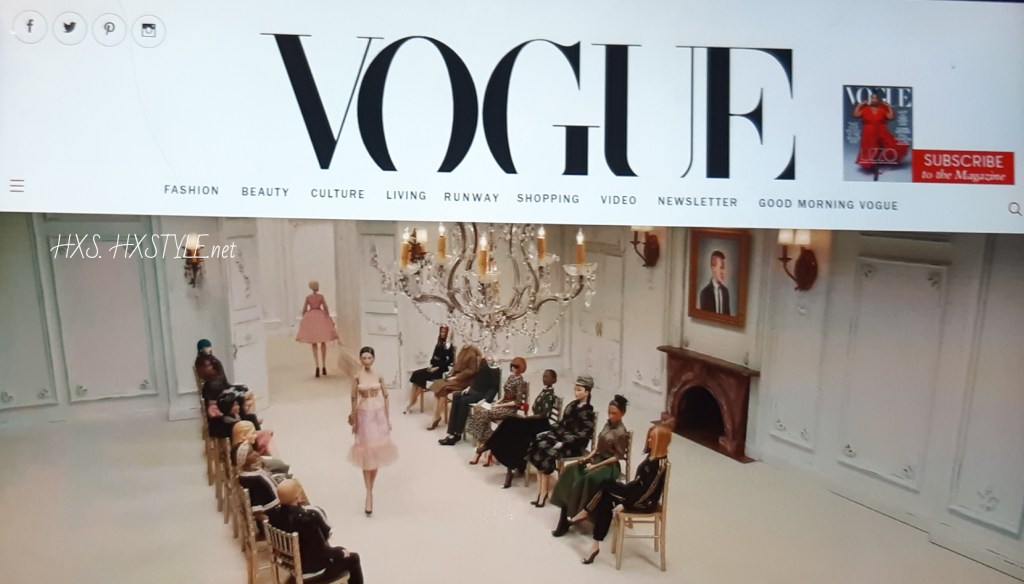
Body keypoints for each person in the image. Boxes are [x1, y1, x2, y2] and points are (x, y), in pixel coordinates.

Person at [569, 423, 671, 565]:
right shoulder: (652, 457)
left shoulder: (659, 465)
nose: (648, 440)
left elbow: (648, 492)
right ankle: (595, 544)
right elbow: (639, 484)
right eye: (649, 437)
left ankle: (586, 513)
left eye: (652, 438)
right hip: (633, 493)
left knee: (605, 489)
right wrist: (626, 489)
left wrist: (625, 504)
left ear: (661, 441)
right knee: (605, 493)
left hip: (642, 502)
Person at [550, 394, 630, 537]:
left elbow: (617, 456)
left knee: (587, 478)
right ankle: (565, 514)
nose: (611, 416)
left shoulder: (621, 432)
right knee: (570, 470)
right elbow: (597, 447)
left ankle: (578, 514)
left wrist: (595, 466)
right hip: (597, 459)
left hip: (609, 465)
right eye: (609, 412)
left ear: (622, 413)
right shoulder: (607, 425)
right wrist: (587, 458)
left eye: (614, 413)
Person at [266, 479, 365, 584]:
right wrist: (340, 552)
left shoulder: (273, 516)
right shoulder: (308, 518)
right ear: (297, 496)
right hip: (313, 572)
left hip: (292, 568)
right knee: (353, 558)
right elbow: (322, 550)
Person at [524, 375, 597, 507]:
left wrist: (564, 442)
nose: (576, 392)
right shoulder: (572, 405)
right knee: (538, 442)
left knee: (546, 449)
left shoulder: (588, 412)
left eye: (579, 390)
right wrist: (549, 432)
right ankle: (540, 490)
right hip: (561, 437)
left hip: (573, 445)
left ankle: (544, 492)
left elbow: (584, 435)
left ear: (587, 392)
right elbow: (562, 423)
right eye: (575, 389)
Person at [486, 369, 559, 488]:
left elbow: (544, 415)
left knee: (511, 423)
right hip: (534, 422)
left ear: (554, 380)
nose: (544, 378)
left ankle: (489, 446)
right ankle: (508, 465)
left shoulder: (550, 395)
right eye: (543, 376)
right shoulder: (544, 392)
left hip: (541, 425)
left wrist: (527, 418)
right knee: (510, 424)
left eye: (547, 377)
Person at [348, 346, 398, 516]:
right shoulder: (357, 376)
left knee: (376, 452)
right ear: (360, 359)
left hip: (378, 415)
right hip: (364, 415)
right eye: (364, 358)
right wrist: (354, 419)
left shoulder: (379, 375)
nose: (367, 361)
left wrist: (388, 419)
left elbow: (386, 396)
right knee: (366, 452)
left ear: (374, 359)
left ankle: (371, 489)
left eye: (369, 358)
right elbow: (353, 398)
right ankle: (368, 492)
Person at [466, 356, 529, 465]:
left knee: (484, 412)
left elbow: (517, 402)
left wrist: (499, 406)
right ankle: (490, 442)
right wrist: (496, 403)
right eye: (512, 365)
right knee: (479, 408)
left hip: (509, 409)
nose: (513, 368)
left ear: (521, 368)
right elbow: (504, 396)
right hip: (502, 405)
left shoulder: (520, 382)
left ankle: (481, 450)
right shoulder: (511, 377)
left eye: (516, 366)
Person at [438, 355, 502, 445]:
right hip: (475, 391)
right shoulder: (482, 362)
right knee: (456, 396)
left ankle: (457, 434)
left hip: (483, 394)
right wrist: (469, 387)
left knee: (464, 400)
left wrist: (485, 399)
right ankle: (451, 432)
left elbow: (494, 387)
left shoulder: (493, 366)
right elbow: (477, 379)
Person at [853, 90, 909, 180]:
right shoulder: (865, 109)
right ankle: (875, 169)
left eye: (876, 98)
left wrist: (888, 107)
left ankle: (875, 166)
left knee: (885, 146)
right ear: (870, 99)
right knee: (871, 149)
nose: (874, 100)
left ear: (878, 100)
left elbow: (890, 117)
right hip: (868, 132)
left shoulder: (882, 109)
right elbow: (856, 115)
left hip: (881, 131)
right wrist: (860, 105)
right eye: (872, 98)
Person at [426, 344, 483, 430]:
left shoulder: (472, 353)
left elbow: (471, 371)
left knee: (443, 389)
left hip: (466, 381)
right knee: (438, 386)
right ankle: (436, 416)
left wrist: (456, 377)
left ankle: (436, 417)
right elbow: (456, 365)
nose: (465, 340)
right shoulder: (463, 349)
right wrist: (451, 374)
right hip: (457, 378)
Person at [404, 325, 456, 414]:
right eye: (441, 332)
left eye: (444, 332)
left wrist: (437, 367)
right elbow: (433, 357)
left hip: (441, 370)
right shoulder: (439, 343)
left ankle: (412, 402)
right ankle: (412, 400)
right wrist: (431, 366)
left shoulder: (449, 346)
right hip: (434, 367)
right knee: (416, 374)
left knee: (421, 376)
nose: (442, 334)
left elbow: (449, 361)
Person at [295, 280, 339, 378]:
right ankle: (324, 365)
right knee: (323, 342)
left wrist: (305, 318)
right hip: (321, 317)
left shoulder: (308, 297)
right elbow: (326, 308)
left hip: (311, 318)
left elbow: (304, 309)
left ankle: (317, 366)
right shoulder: (321, 297)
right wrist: (328, 317)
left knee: (314, 342)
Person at [698, 250, 731, 315]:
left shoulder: (725, 292)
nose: (724, 272)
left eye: (724, 269)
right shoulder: (705, 293)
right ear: (713, 268)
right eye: (721, 268)